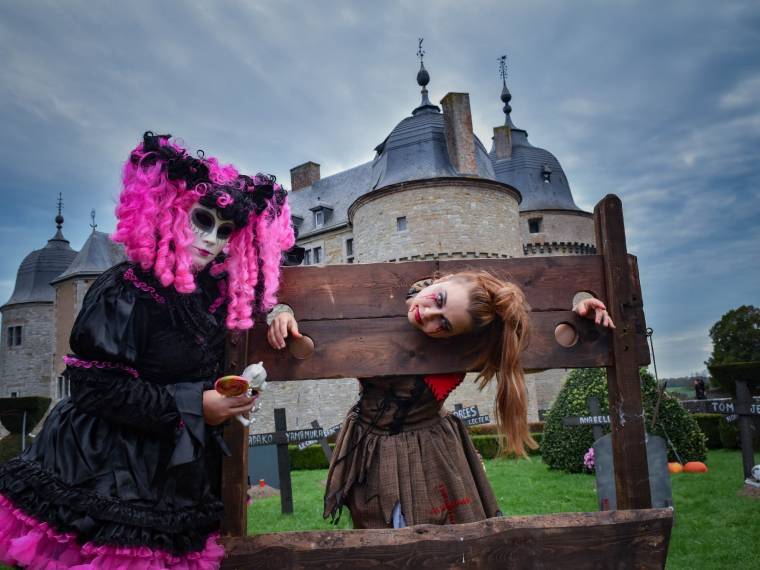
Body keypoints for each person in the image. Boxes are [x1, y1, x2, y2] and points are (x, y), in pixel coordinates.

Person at [0, 132, 295, 568]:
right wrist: (197, 406)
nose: (213, 239)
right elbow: (95, 389)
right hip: (104, 466)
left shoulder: (213, 294)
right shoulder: (124, 288)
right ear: (172, 212)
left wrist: (281, 309)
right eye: (202, 220)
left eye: (225, 230)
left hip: (174, 470)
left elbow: (261, 298)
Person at [268, 271, 614, 528]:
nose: (428, 316)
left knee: (425, 533)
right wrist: (287, 317)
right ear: (441, 278)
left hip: (426, 448)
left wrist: (578, 318)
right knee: (375, 534)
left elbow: (528, 354)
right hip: (368, 443)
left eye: (444, 325)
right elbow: (307, 341)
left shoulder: (470, 346)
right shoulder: (373, 307)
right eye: (438, 300)